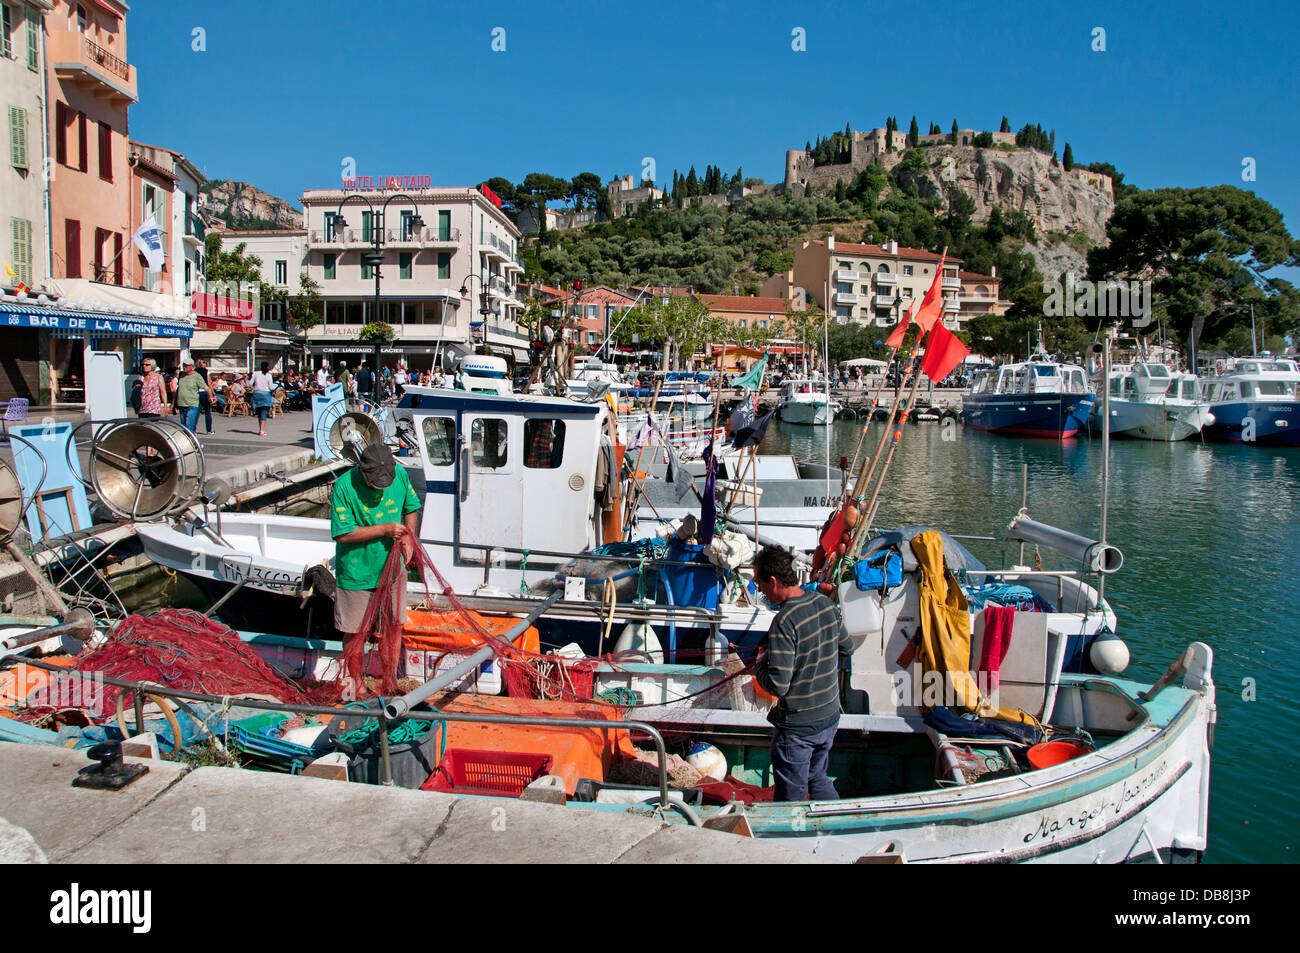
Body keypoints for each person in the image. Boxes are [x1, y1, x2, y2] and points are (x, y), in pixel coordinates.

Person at [751, 545, 853, 802]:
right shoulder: (824, 603)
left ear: (773, 581)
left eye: (760, 584)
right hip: (829, 716)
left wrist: (760, 664)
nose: (760, 590)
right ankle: (834, 826)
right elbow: (846, 646)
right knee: (817, 777)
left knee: (791, 797)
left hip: (799, 728)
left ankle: (791, 839)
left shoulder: (784, 622)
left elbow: (778, 686)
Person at [330, 443, 421, 695]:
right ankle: (356, 685)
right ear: (362, 470)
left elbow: (411, 508)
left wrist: (408, 537)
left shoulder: (400, 474)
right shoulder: (344, 487)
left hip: (393, 570)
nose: (381, 486)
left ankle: (390, 681)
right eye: (375, 482)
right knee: (355, 631)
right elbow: (342, 534)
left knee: (394, 626)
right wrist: (383, 530)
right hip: (357, 573)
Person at [174, 359, 210, 434]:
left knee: (189, 428)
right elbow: (178, 389)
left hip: (192, 405)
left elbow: (206, 387)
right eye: (184, 365)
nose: (184, 367)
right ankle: (186, 444)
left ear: (192, 366)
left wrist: (211, 397)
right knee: (184, 429)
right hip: (182, 405)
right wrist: (174, 404)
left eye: (186, 365)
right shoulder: (181, 375)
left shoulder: (197, 376)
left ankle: (192, 443)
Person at [249, 361, 275, 436]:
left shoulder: (255, 373)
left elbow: (250, 383)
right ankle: (261, 430)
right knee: (264, 411)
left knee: (259, 412)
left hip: (256, 393)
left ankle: (260, 428)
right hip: (265, 394)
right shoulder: (269, 375)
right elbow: (271, 387)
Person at [196, 359, 216, 434]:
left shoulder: (195, 371)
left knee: (196, 411)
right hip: (204, 392)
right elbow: (209, 384)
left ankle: (193, 429)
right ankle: (209, 429)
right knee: (207, 411)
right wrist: (213, 394)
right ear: (203, 364)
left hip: (196, 392)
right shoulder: (206, 371)